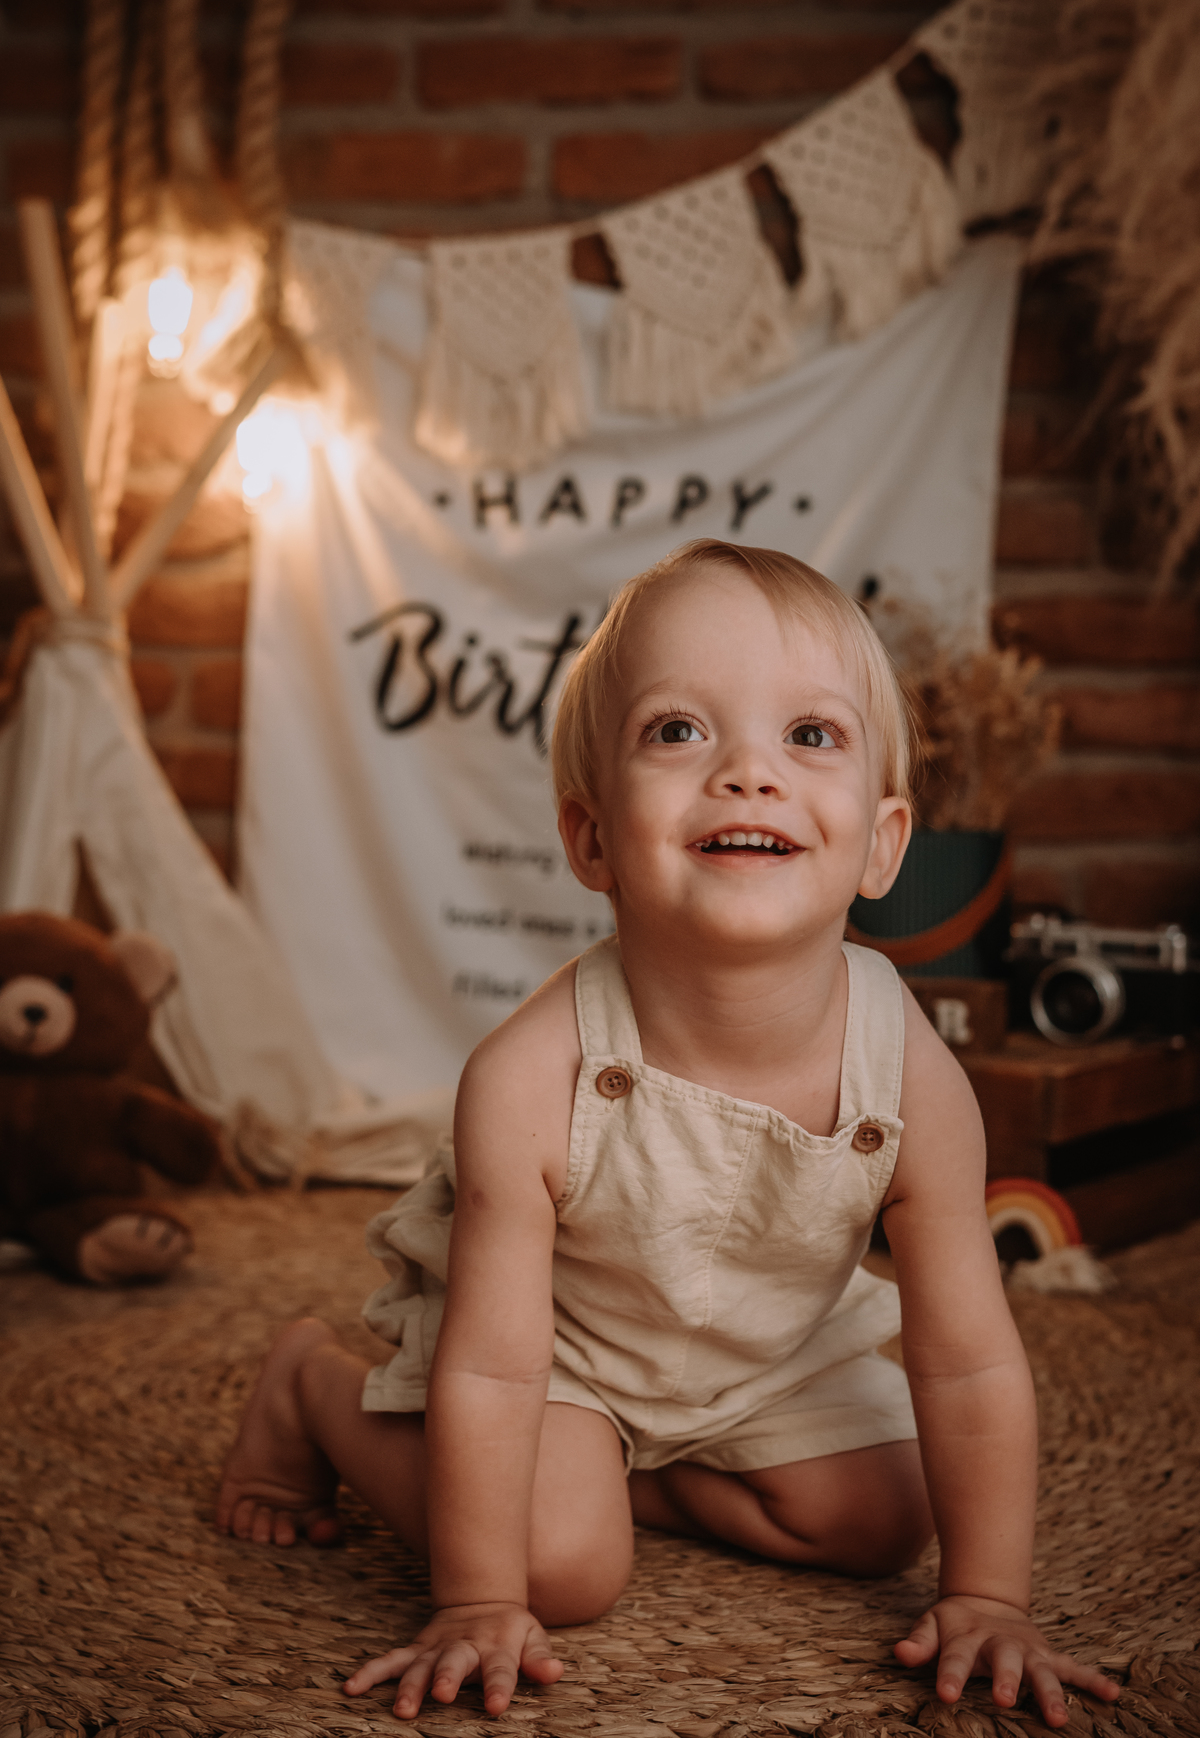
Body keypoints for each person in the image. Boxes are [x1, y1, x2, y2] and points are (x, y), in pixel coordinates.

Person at [217, 540, 1119, 1731]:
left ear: (883, 842)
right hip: (564, 1348)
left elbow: (967, 1361)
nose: (749, 772)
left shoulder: (913, 1078)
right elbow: (495, 1366)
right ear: (592, 837)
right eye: (679, 731)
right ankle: (315, 1388)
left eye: (811, 735)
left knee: (892, 1515)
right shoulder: (529, 1076)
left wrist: (991, 1595)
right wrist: (479, 1600)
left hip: (765, 1355)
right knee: (557, 1567)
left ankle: (642, 1471)